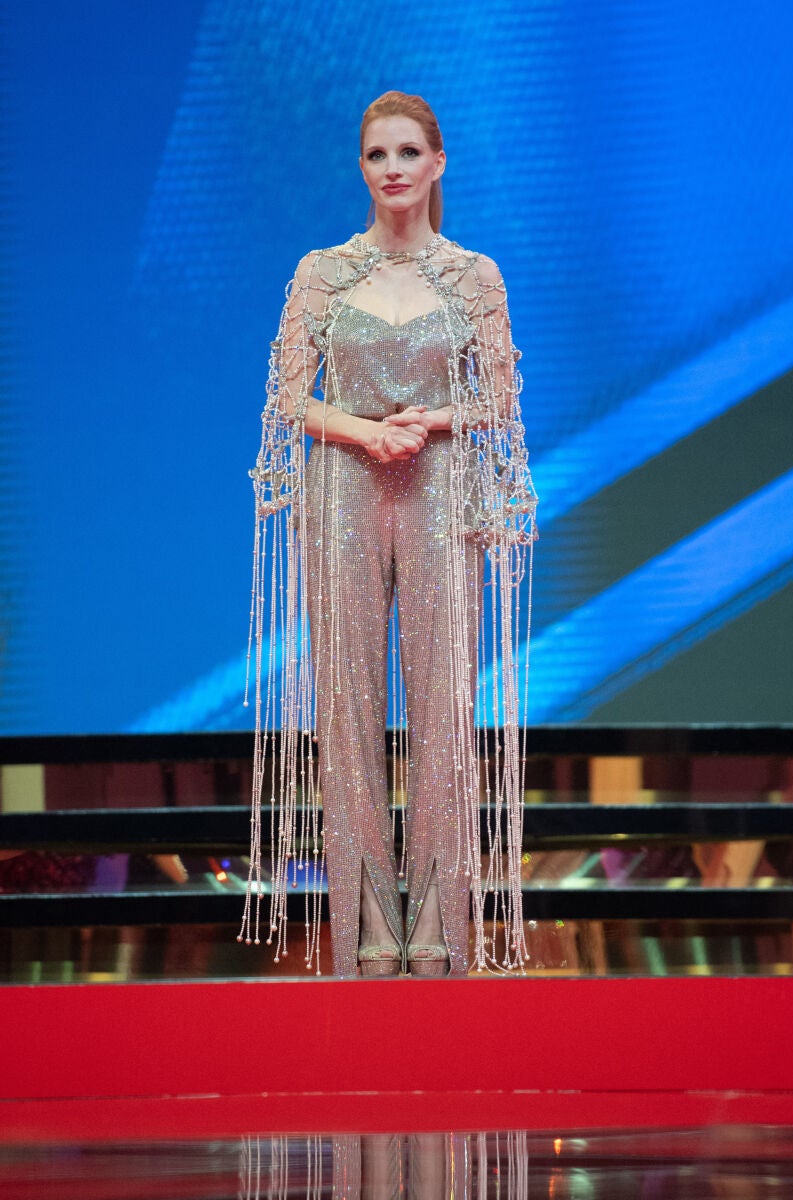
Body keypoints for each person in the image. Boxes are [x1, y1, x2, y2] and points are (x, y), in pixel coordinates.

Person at [239, 91, 537, 978]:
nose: (393, 168)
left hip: (439, 488)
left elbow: (501, 401)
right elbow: (289, 399)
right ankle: (369, 929)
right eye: (377, 155)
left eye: (409, 152)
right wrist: (368, 432)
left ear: (438, 164)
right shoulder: (322, 273)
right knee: (348, 702)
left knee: (446, 703)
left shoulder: (475, 276)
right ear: (362, 168)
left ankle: (440, 932)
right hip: (345, 488)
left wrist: (433, 421)